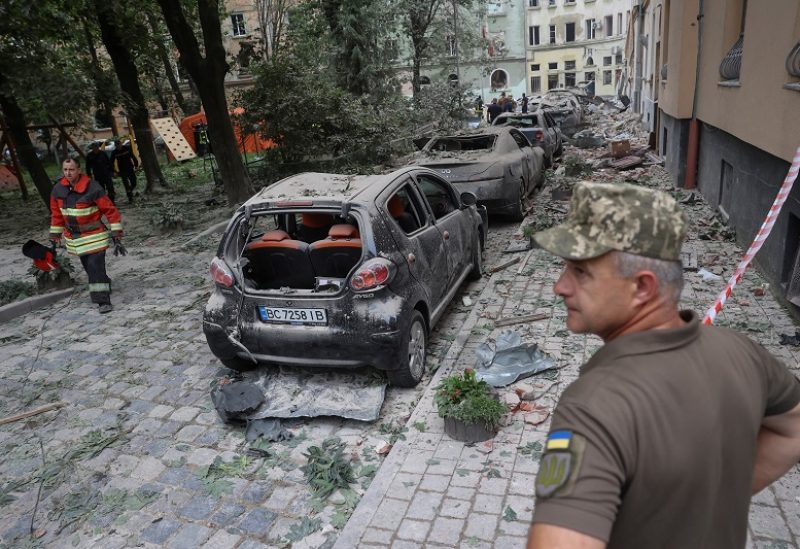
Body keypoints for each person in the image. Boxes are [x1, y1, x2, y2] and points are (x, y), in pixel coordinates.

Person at [527, 182, 800, 549]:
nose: (560, 287)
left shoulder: (594, 407)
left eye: (580, 271)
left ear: (642, 287)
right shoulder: (743, 352)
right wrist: (710, 502)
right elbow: (793, 430)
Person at [49, 157, 123, 314]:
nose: (68, 173)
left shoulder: (93, 188)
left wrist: (116, 232)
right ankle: (104, 282)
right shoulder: (57, 190)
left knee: (95, 267)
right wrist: (55, 235)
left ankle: (103, 301)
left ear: (79, 170)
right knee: (90, 268)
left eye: (72, 169)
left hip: (95, 235)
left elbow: (110, 210)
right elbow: (56, 215)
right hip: (76, 238)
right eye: (65, 170)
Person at [112, 139, 139, 203]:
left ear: (121, 144)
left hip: (130, 168)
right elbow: (111, 162)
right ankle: (130, 198)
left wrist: (136, 165)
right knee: (126, 184)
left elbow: (133, 156)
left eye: (119, 144)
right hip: (122, 170)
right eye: (117, 145)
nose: (118, 146)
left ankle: (130, 190)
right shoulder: (114, 152)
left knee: (134, 183)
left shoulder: (126, 148)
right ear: (115, 146)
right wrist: (114, 171)